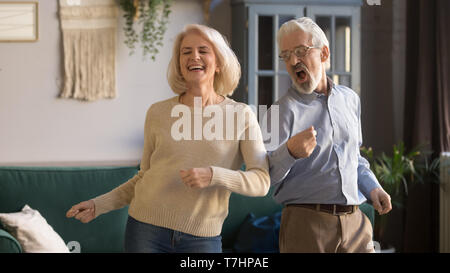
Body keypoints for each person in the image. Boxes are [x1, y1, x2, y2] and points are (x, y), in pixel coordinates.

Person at [66, 24, 270, 253]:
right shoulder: (158, 113)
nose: (194, 56)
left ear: (220, 63)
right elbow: (144, 176)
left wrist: (215, 175)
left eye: (203, 50)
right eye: (186, 52)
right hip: (145, 230)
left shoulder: (241, 115)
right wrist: (99, 205)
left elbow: (261, 181)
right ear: (179, 65)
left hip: (202, 237)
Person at [262, 17, 392, 253]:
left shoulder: (350, 99)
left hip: (356, 224)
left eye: (300, 51)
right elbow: (264, 177)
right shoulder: (278, 112)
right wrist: (290, 152)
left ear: (323, 53)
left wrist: (373, 188)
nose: (293, 61)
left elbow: (355, 158)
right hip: (307, 226)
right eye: (286, 55)